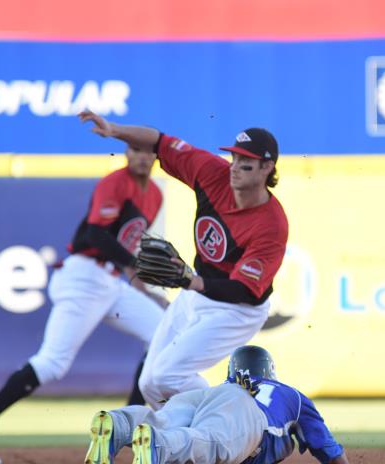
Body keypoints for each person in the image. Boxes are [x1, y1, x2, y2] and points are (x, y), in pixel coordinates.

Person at [0, 141, 168, 464]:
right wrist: (132, 269)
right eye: (135, 149)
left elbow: (127, 248)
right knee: (53, 363)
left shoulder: (155, 194)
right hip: (84, 275)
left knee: (162, 332)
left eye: (147, 150)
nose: (141, 155)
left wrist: (144, 288)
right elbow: (97, 235)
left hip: (111, 281)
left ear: (156, 155)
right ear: (127, 153)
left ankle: (129, 422)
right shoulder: (115, 182)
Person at [78, 111, 289, 409]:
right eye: (234, 159)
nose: (235, 168)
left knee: (167, 376)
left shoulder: (271, 224)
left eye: (246, 164)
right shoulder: (212, 173)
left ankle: (231, 419)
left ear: (267, 167)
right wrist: (114, 130)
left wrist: (191, 280)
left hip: (237, 311)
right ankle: (186, 444)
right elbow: (160, 142)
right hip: (196, 293)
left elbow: (242, 290)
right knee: (150, 384)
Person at [83, 345, 353, 464]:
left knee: (165, 421)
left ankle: (120, 424)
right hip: (248, 415)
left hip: (201, 396)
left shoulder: (219, 392)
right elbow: (334, 462)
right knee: (206, 441)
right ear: (271, 371)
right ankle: (159, 446)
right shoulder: (293, 397)